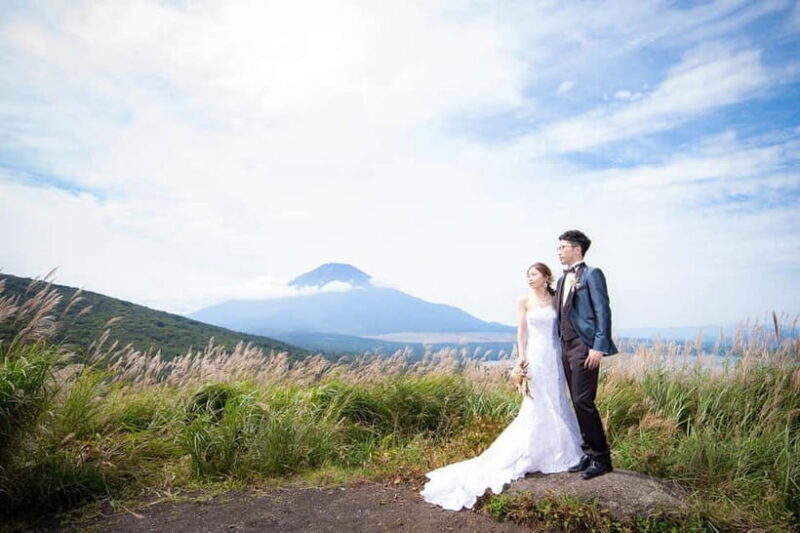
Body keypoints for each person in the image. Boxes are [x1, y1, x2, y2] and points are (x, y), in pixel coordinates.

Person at [419, 262, 583, 511]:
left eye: (534, 274)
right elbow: (521, 331)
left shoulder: (555, 298)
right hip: (535, 355)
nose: (529, 278)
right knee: (537, 402)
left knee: (557, 399)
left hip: (554, 354)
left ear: (546, 277)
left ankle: (559, 450)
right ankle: (533, 452)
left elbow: (564, 325)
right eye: (527, 275)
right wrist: (520, 357)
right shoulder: (524, 301)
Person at [555, 229, 617, 480]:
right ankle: (588, 453)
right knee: (576, 400)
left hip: (585, 346)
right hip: (566, 346)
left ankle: (602, 458)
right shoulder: (561, 280)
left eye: (562, 247)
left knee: (583, 400)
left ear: (576, 249)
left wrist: (598, 347)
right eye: (558, 248)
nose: (558, 251)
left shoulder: (592, 274)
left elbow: (603, 311)